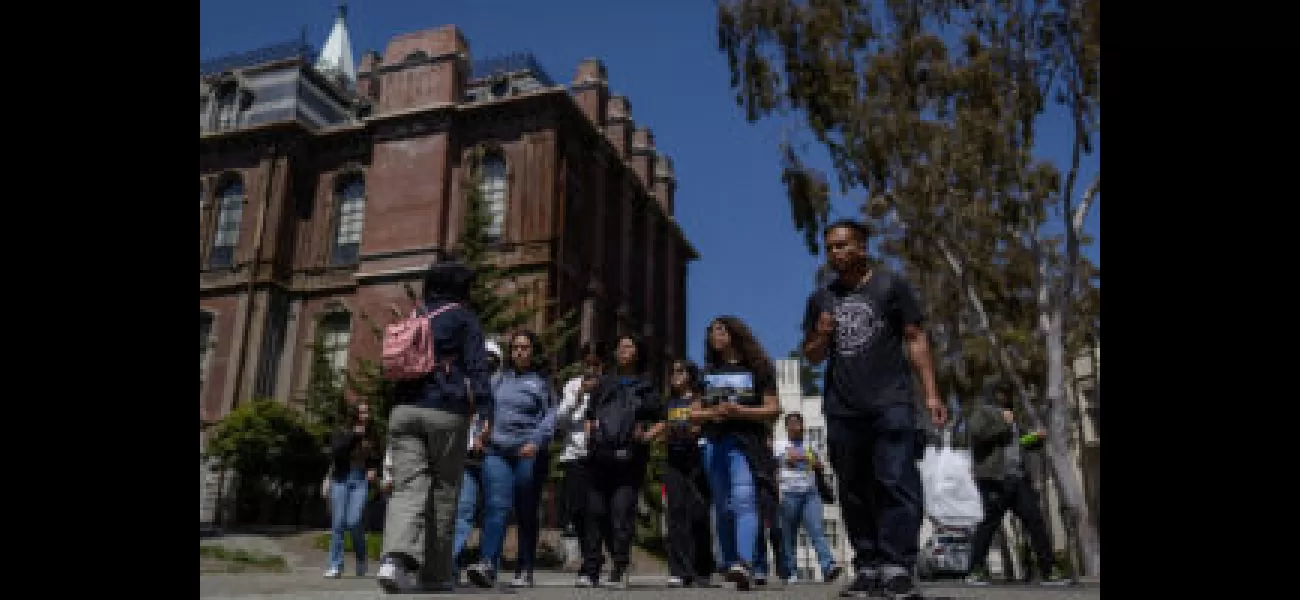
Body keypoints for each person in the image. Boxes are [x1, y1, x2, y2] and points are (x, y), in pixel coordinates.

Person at [801, 219, 947, 599]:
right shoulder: (821, 298)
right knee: (853, 488)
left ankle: (897, 566)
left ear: (862, 247)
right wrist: (821, 333)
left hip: (891, 401)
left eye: (843, 245)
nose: (835, 253)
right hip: (842, 407)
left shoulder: (891, 286)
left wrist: (931, 394)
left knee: (896, 480)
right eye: (830, 247)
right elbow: (813, 357)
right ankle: (867, 566)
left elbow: (915, 338)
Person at [377, 259, 495, 594]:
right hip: (445, 412)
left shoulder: (417, 314)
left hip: (404, 410)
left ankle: (394, 560)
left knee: (407, 487)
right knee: (443, 491)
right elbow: (477, 367)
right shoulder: (463, 318)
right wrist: (485, 413)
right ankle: (435, 573)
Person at [690, 316, 782, 591]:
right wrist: (712, 413)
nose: (713, 335)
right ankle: (731, 565)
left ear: (733, 332)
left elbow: (774, 408)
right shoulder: (706, 372)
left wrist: (742, 411)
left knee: (744, 499)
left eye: (719, 330)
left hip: (745, 442)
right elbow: (693, 414)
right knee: (723, 506)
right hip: (714, 443)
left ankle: (744, 562)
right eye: (710, 332)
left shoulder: (759, 368)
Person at [466, 330, 558, 589]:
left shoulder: (541, 382)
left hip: (526, 452)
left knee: (526, 510)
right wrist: (481, 431)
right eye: (515, 347)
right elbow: (486, 409)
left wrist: (536, 442)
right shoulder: (498, 380)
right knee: (496, 505)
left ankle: (525, 566)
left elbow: (551, 415)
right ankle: (487, 564)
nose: (519, 351)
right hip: (497, 451)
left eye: (525, 347)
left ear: (532, 351)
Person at [964, 381, 1068, 586]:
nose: (1006, 396)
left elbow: (1017, 443)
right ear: (992, 393)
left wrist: (1035, 438)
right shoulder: (982, 412)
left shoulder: (1009, 415)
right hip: (995, 479)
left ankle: (1049, 571)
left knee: (1035, 521)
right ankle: (975, 571)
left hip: (1018, 479)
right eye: (1002, 392)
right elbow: (977, 434)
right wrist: (1003, 423)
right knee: (989, 525)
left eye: (1007, 393)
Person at [579, 334, 661, 589]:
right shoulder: (605, 382)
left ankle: (620, 566)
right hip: (600, 453)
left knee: (621, 511)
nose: (623, 350)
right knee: (595, 511)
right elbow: (590, 413)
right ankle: (592, 568)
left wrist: (647, 435)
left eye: (629, 346)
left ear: (638, 352)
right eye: (620, 346)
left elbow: (661, 417)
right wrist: (589, 431)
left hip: (630, 457)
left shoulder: (647, 384)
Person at [644, 359, 716, 587]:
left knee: (698, 514)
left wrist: (676, 430)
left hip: (697, 462)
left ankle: (701, 569)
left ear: (690, 375)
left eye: (679, 371)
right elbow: (662, 426)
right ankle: (678, 570)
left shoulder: (700, 401)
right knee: (675, 514)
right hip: (673, 462)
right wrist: (645, 436)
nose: (674, 375)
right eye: (672, 372)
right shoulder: (670, 403)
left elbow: (695, 429)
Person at [450, 339, 503, 579]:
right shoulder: (467, 385)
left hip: (494, 456)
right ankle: (450, 562)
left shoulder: (502, 387)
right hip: (468, 457)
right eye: (484, 357)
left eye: (492, 358)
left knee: (494, 511)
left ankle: (487, 563)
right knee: (464, 510)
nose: (487, 362)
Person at [773, 412, 843, 583]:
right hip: (789, 492)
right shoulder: (781, 444)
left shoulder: (811, 442)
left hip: (810, 493)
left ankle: (828, 567)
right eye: (792, 424)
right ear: (787, 427)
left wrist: (805, 457)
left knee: (817, 530)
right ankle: (790, 572)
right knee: (789, 535)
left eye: (799, 423)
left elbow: (819, 463)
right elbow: (789, 459)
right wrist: (807, 457)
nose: (796, 427)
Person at [324, 402, 382, 578]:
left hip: (360, 480)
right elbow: (336, 452)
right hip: (341, 479)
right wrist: (353, 436)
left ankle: (361, 558)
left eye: (367, 412)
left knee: (354, 521)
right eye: (362, 412)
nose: (365, 416)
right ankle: (336, 565)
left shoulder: (372, 434)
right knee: (338, 522)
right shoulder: (341, 431)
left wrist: (373, 468)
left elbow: (377, 455)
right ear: (354, 414)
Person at [555, 352, 603, 561]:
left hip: (600, 455)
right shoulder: (572, 385)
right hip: (574, 454)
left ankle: (593, 555)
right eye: (587, 364)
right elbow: (562, 420)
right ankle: (589, 553)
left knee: (596, 509)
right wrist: (579, 395)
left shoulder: (608, 387)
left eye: (595, 365)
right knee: (576, 508)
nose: (590, 368)